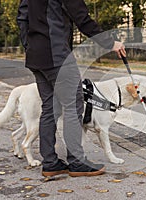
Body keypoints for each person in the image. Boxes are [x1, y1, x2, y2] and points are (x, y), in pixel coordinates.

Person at [17, 0, 126, 177]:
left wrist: (29, 46)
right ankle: (77, 162)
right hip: (56, 54)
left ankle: (51, 163)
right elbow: (81, 17)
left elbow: (22, 17)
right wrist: (109, 43)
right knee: (74, 104)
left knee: (49, 107)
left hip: (36, 56)